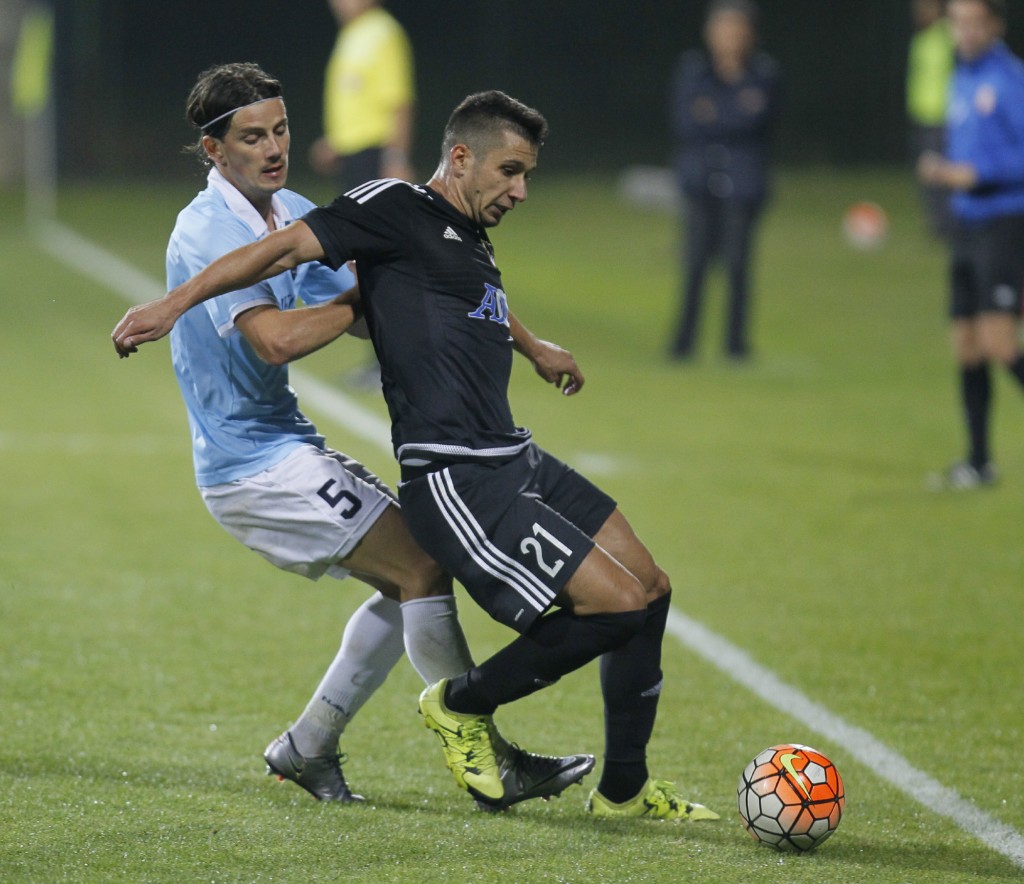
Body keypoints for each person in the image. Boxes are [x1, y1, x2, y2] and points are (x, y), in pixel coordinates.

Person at [112, 89, 721, 821]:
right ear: (214, 148)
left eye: (281, 129)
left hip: (439, 445)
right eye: (253, 136)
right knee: (434, 571)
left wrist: (530, 345)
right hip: (258, 462)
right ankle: (474, 732)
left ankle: (317, 746)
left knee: (643, 587)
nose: (274, 147)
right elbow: (278, 335)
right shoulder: (236, 223)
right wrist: (177, 302)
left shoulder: (413, 222)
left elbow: (447, 293)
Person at [918, 0, 1024, 490]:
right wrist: (943, 170)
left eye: (975, 22)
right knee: (965, 344)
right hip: (966, 225)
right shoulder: (959, 75)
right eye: (958, 22)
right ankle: (979, 463)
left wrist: (974, 174)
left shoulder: (1010, 79)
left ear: (994, 26)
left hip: (1003, 222)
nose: (965, 31)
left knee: (1000, 343)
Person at [308, 0, 415, 392]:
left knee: (379, 256)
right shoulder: (353, 35)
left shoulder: (382, 32)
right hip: (356, 157)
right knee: (365, 258)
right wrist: (337, 141)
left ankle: (393, 359)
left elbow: (398, 102)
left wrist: (397, 157)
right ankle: (382, 358)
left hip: (375, 158)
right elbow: (357, 98)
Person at [667, 0, 780, 362]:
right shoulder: (693, 71)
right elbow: (687, 122)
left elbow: (759, 123)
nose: (729, 37)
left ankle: (736, 346)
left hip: (743, 183)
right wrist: (736, 113)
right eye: (723, 29)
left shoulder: (764, 73)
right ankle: (683, 345)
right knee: (694, 263)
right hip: (700, 180)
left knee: (737, 265)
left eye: (736, 30)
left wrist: (716, 115)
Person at [907, 0, 955, 238]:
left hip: (942, 116)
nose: (922, 12)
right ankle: (936, 221)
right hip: (922, 116)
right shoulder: (921, 39)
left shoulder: (949, 36)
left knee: (940, 172)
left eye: (927, 7)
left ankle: (946, 223)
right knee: (926, 172)